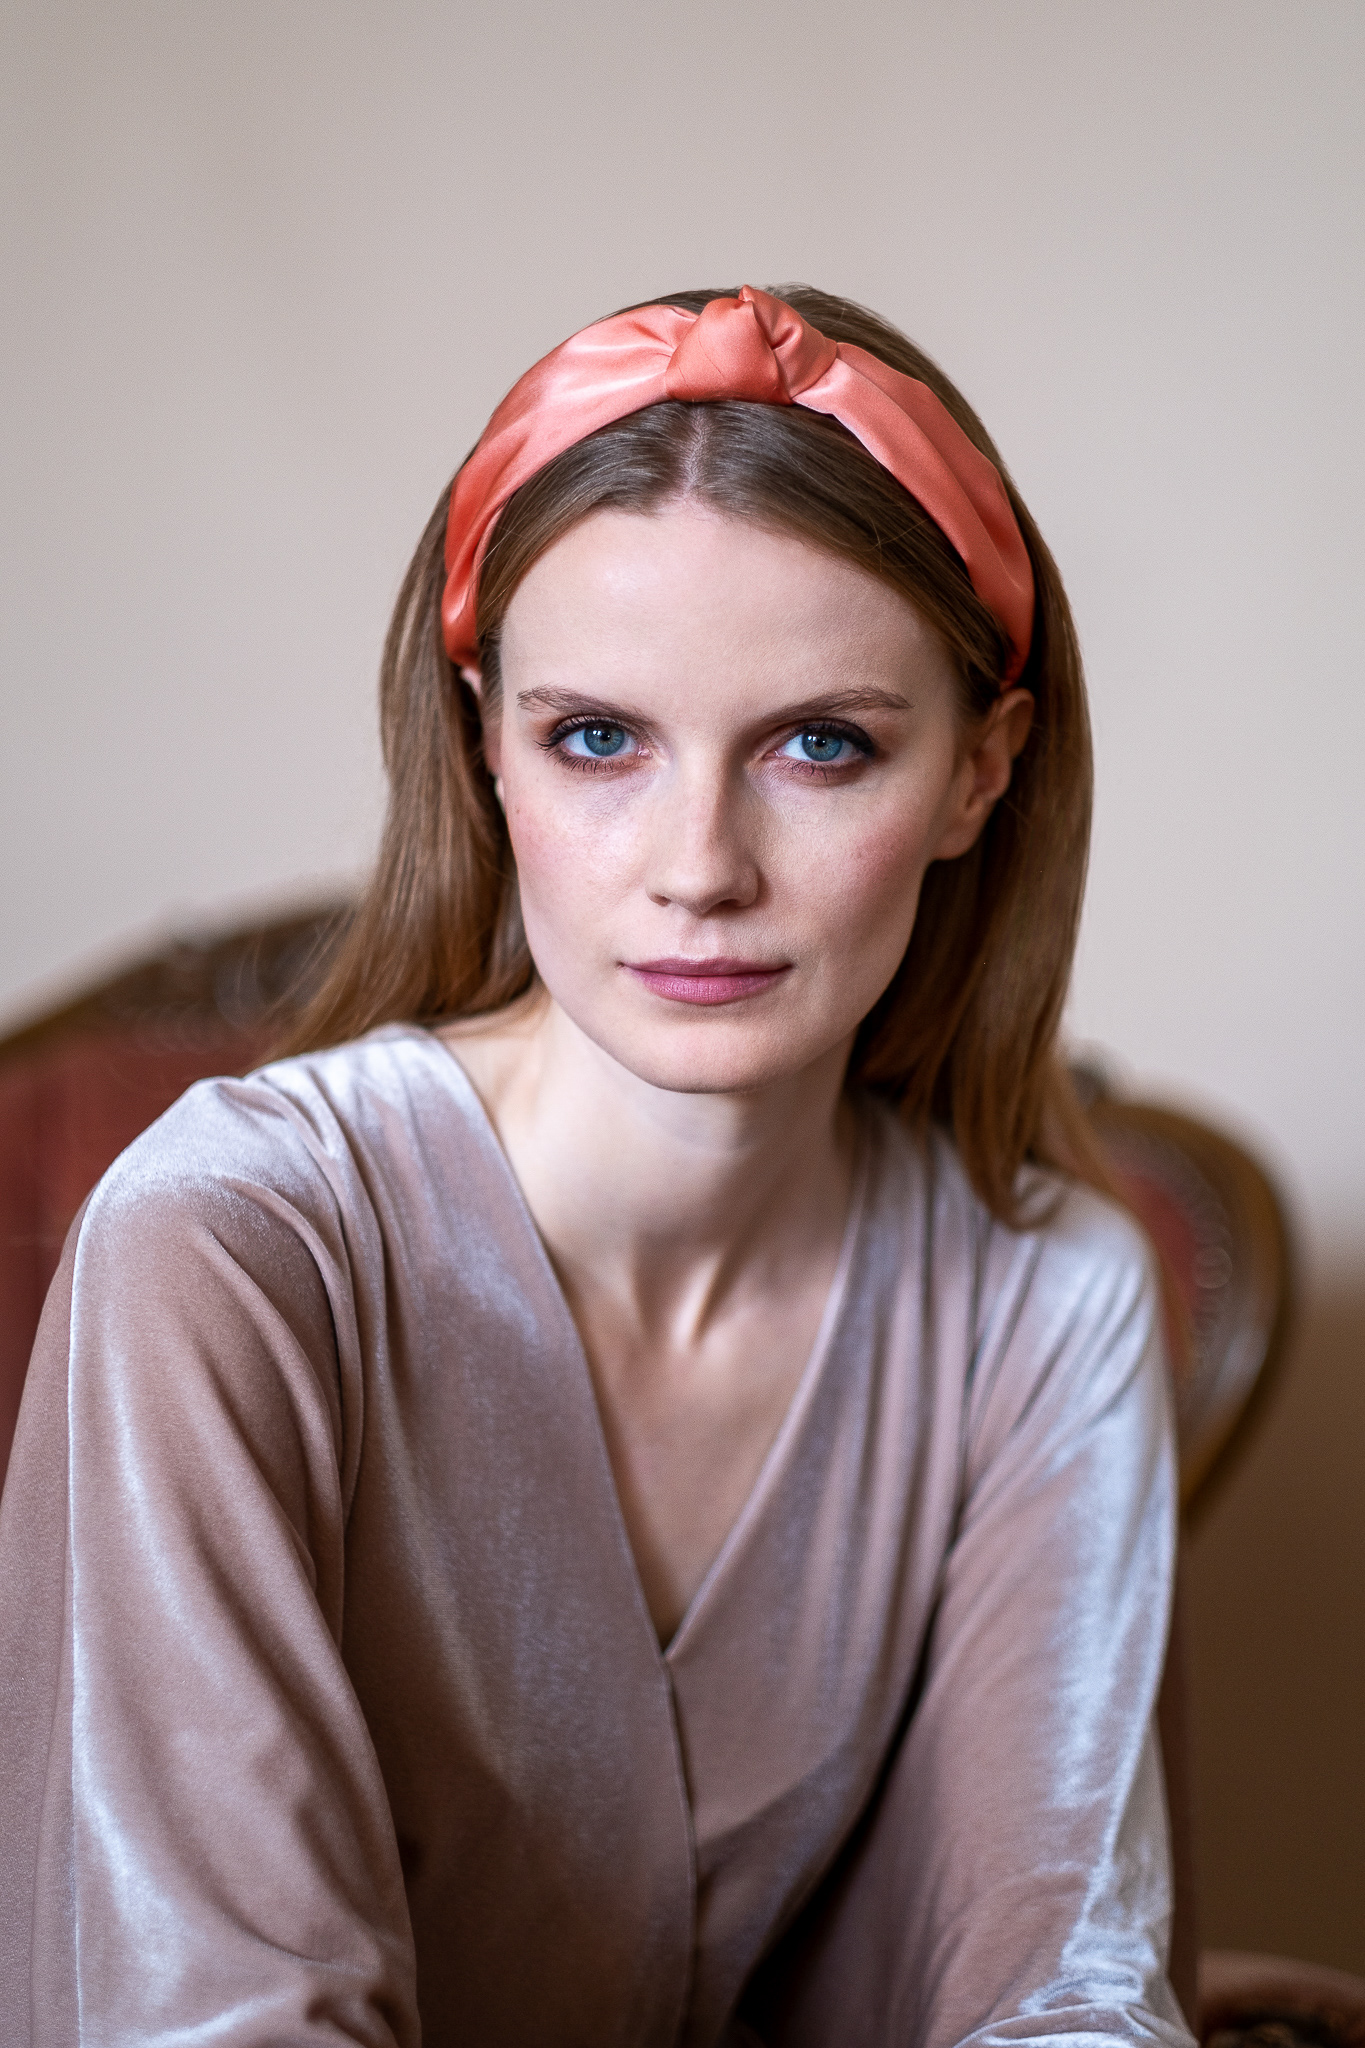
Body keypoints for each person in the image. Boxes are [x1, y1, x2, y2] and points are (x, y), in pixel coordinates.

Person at [0, 285, 1193, 2048]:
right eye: (598, 739)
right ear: (482, 742)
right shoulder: (231, 1246)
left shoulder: (1046, 1298)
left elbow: (1064, 1983)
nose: (698, 867)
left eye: (821, 744)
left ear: (976, 774)